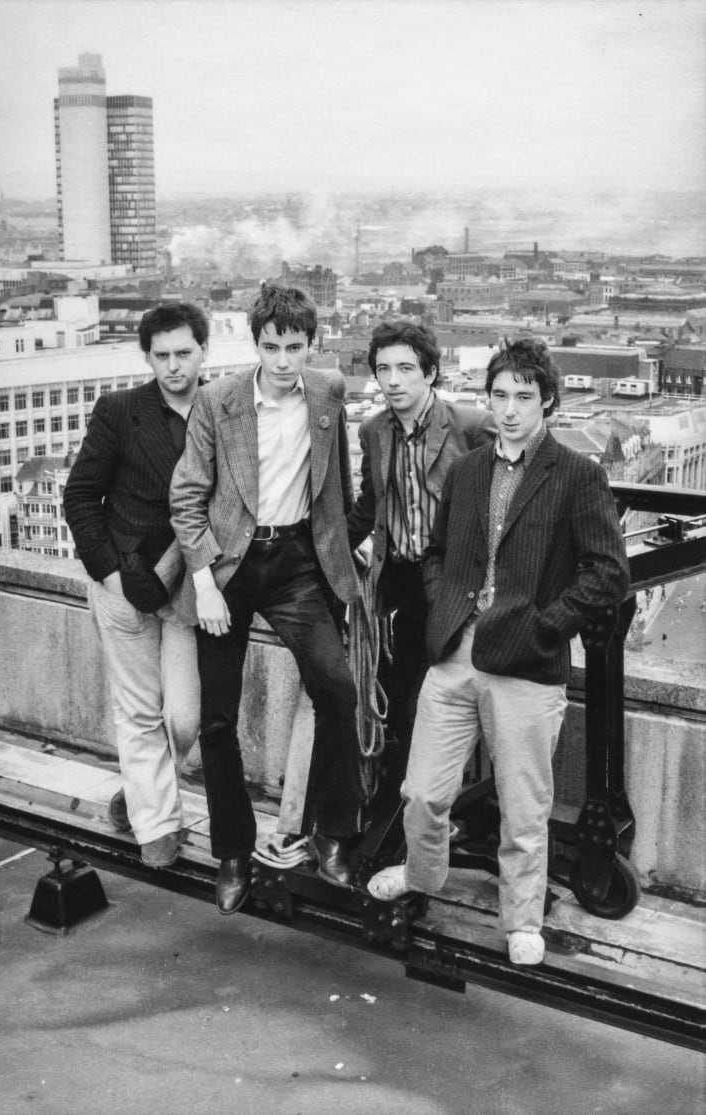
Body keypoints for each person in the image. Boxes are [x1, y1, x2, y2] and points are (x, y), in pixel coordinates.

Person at [368, 338, 630, 966]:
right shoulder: (467, 470)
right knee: (424, 792)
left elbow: (608, 573)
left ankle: (521, 920)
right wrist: (443, 603)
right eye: (500, 396)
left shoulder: (577, 474)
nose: (510, 410)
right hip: (454, 653)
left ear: (548, 403)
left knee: (523, 806)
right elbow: (436, 552)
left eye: (523, 397)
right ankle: (424, 875)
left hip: (527, 667)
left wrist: (547, 625)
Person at [170, 282, 363, 915]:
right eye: (272, 347)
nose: (284, 361)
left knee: (338, 691)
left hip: (298, 564)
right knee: (219, 718)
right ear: (256, 344)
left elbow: (340, 486)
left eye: (296, 347)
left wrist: (344, 551)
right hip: (229, 566)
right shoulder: (219, 400)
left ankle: (333, 834)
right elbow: (187, 496)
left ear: (313, 345)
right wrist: (203, 582)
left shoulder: (330, 392)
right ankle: (232, 850)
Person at [63, 302, 208, 868]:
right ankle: (157, 827)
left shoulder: (224, 411)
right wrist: (109, 573)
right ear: (147, 357)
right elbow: (80, 496)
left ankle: (140, 786)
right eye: (162, 355)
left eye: (184, 353)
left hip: (189, 587)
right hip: (123, 581)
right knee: (139, 712)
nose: (174, 366)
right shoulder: (120, 410)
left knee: (185, 718)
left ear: (204, 350)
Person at [347, 322, 495, 801]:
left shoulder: (470, 425)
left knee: (447, 696)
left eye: (406, 368)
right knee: (398, 691)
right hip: (403, 580)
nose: (393, 380)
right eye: (384, 369)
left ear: (430, 374)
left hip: (456, 583)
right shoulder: (373, 430)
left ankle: (435, 802)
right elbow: (369, 507)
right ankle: (397, 800)